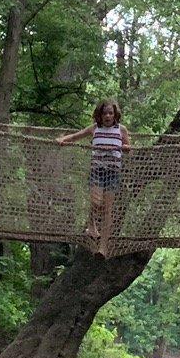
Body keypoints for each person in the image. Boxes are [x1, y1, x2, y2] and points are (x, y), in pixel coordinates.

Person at [58, 100, 129, 257]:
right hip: (97, 170)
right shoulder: (95, 128)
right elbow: (78, 135)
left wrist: (126, 148)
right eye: (105, 113)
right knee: (96, 202)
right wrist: (63, 139)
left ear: (115, 114)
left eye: (111, 113)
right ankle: (91, 225)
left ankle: (103, 247)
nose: (108, 116)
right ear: (100, 115)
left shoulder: (121, 130)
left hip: (112, 171)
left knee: (107, 210)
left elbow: (127, 146)